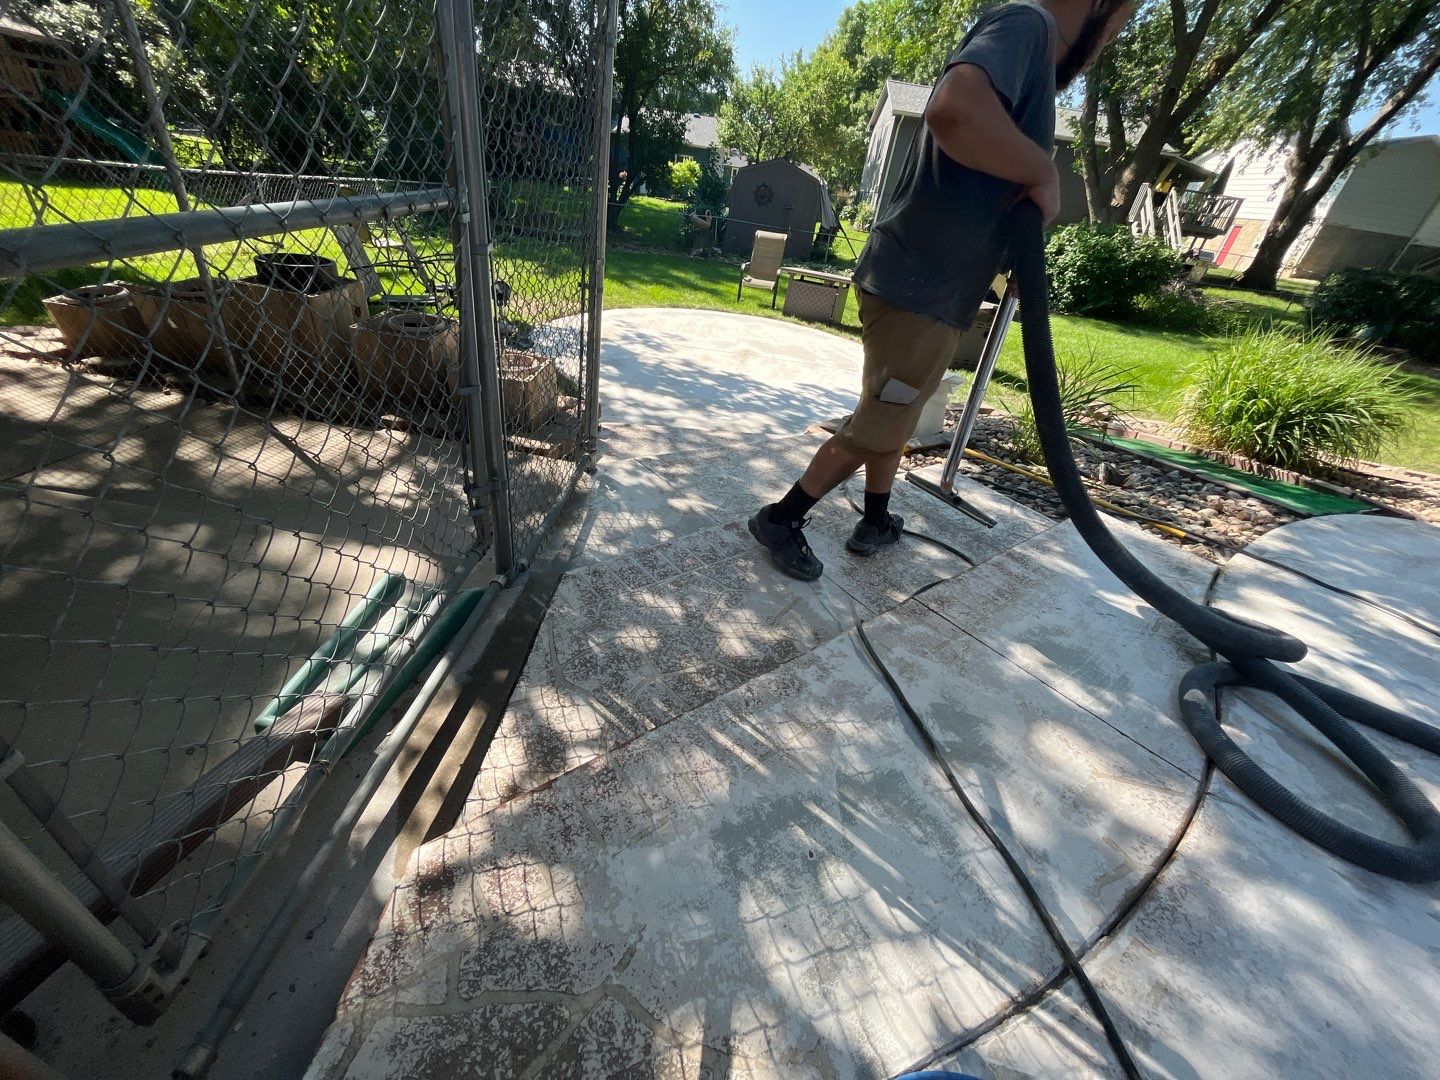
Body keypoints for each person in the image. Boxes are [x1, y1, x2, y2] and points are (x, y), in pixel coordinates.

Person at [749, 0, 1134, 581]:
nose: (1119, 32)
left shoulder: (1028, 56)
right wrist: (1044, 171)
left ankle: (876, 519)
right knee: (880, 421)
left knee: (894, 413)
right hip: (918, 293)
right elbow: (954, 112)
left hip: (925, 288)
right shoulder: (1029, 25)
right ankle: (782, 518)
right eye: (1125, 14)